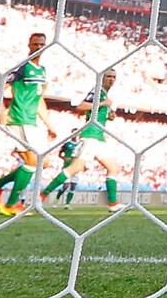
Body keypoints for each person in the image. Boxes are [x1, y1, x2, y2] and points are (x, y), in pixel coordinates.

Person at [0, 32, 58, 216]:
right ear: (29, 45)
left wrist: (49, 124)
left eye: (42, 44)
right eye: (35, 44)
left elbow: (39, 100)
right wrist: (1, 112)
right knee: (33, 162)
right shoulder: (22, 67)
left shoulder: (42, 71)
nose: (39, 47)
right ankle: (10, 204)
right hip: (19, 119)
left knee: (43, 162)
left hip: (32, 121)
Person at [40, 69, 124, 212]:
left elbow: (98, 112)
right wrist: (103, 104)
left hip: (99, 137)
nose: (111, 79)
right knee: (74, 168)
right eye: (109, 76)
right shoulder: (97, 91)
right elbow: (81, 106)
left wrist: (109, 115)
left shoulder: (104, 94)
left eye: (114, 77)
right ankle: (42, 196)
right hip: (90, 135)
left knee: (113, 168)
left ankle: (113, 204)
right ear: (102, 78)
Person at [53, 130, 81, 209]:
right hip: (67, 167)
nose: (75, 135)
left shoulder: (80, 144)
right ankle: (56, 200)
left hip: (75, 167)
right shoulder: (67, 144)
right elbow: (60, 153)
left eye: (77, 133)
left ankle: (67, 204)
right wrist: (63, 157)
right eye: (74, 133)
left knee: (73, 186)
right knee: (65, 186)